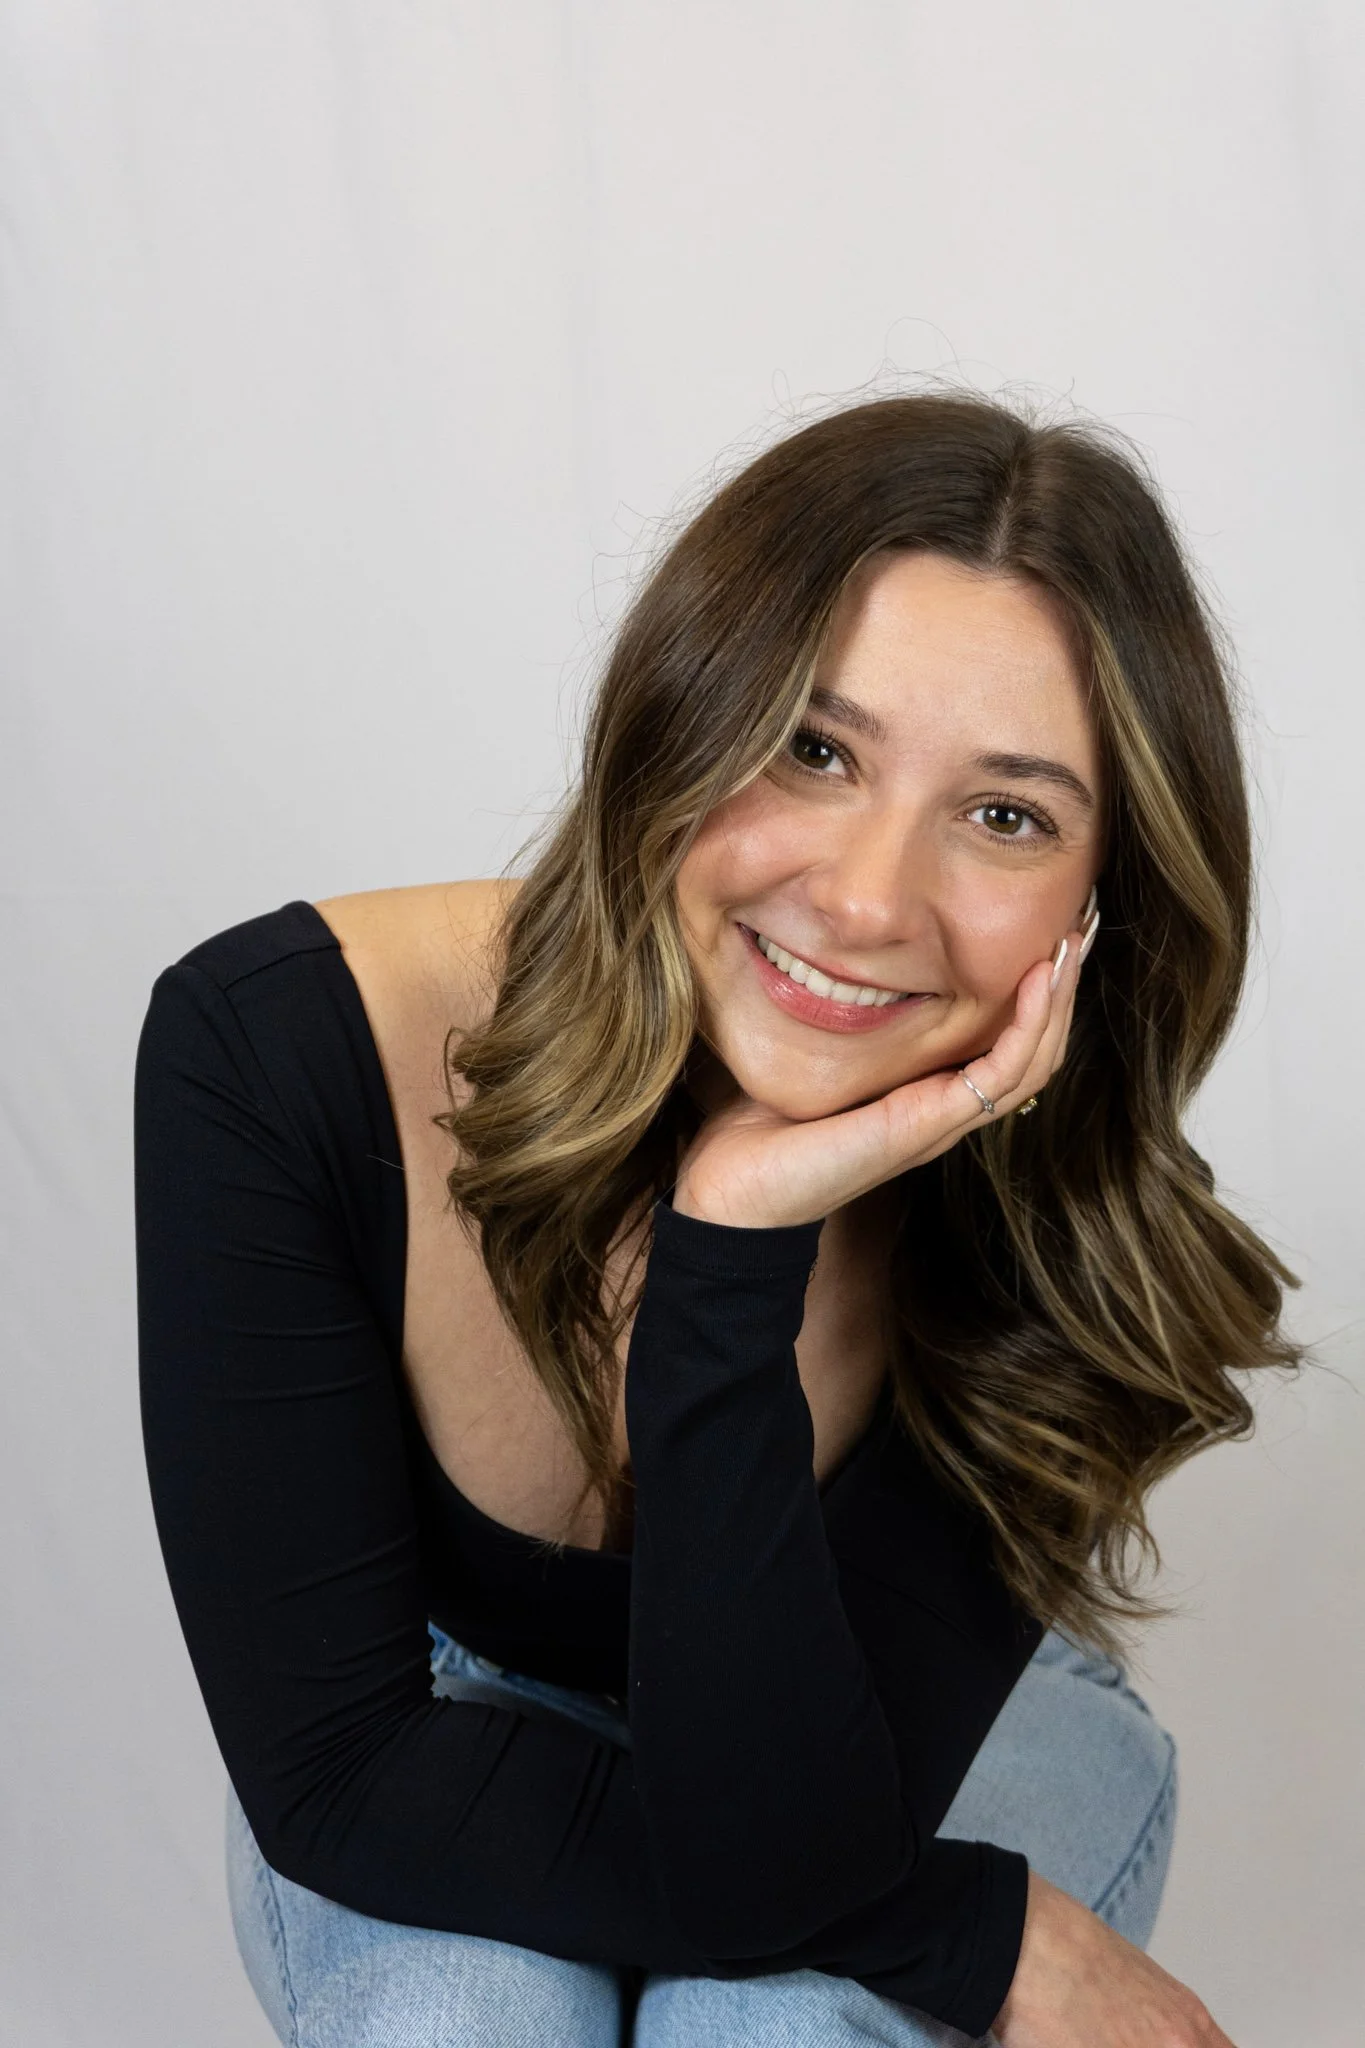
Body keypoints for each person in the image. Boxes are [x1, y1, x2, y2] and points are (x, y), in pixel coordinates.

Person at [135, 392, 1297, 2047]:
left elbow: (797, 1855)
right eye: (814, 749)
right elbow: (344, 1776)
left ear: (1108, 903)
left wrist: (731, 1248)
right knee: (450, 2017)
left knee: (773, 2029)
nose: (866, 899)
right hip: (435, 1733)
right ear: (678, 720)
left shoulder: (1065, 1241)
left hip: (918, 1741)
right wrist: (971, 1935)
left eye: (1007, 814)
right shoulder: (279, 1052)